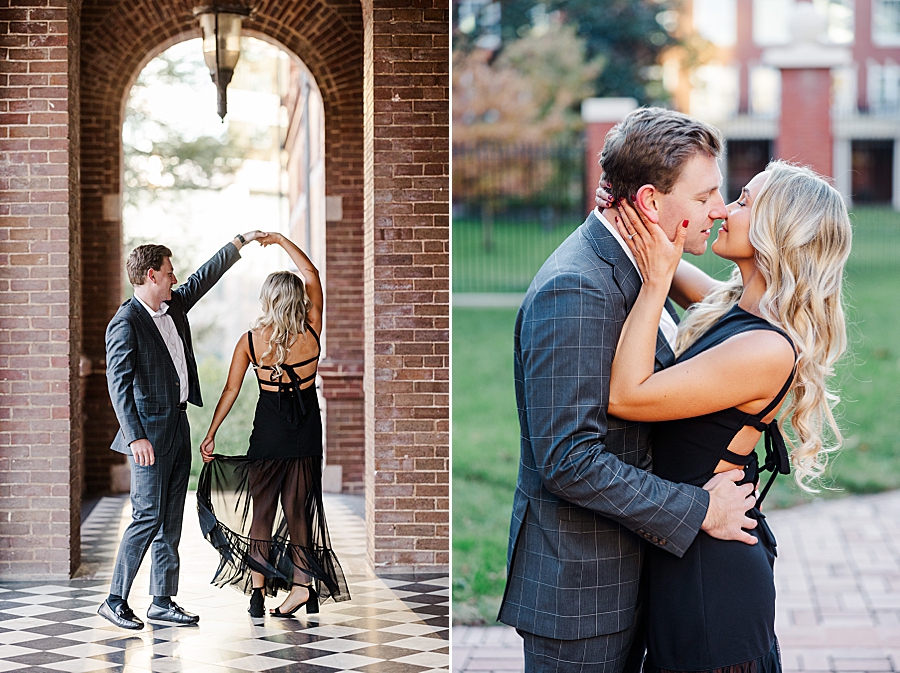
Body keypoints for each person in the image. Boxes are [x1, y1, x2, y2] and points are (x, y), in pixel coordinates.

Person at [498, 107, 760, 672]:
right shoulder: (577, 287)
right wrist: (700, 510)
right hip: (582, 596)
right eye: (704, 196)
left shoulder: (644, 263)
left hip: (634, 575)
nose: (718, 210)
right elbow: (567, 459)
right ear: (650, 201)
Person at [607, 160, 850, 672]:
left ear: (775, 231)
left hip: (713, 573)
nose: (722, 209)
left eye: (741, 201)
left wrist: (652, 286)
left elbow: (628, 396)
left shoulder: (766, 348)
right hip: (690, 539)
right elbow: (671, 262)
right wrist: (636, 209)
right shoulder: (740, 309)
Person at [100, 232, 266, 630]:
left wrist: (237, 244)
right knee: (148, 515)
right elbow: (118, 384)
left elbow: (202, 279)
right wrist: (136, 435)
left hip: (178, 424)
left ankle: (161, 600)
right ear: (152, 275)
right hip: (148, 437)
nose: (175, 279)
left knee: (171, 516)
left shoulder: (173, 307)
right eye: (170, 273)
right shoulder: (126, 323)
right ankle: (114, 599)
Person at [196, 232, 348, 618]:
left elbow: (231, 390)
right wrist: (280, 240)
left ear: (267, 300)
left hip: (268, 432)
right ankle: (302, 589)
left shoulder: (250, 340)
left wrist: (211, 432)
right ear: (298, 300)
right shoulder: (312, 329)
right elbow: (310, 271)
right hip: (306, 430)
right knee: (299, 511)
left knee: (262, 510)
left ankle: (257, 593)